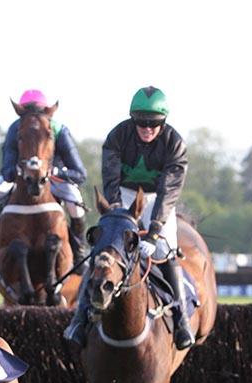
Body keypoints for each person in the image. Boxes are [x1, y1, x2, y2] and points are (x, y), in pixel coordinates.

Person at [64, 86, 194, 351]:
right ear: (133, 120)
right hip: (121, 196)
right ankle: (79, 320)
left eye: (154, 123)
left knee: (164, 250)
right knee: (105, 250)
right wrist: (116, 214)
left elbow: (170, 191)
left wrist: (154, 232)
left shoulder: (175, 143)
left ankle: (181, 321)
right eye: (141, 122)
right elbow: (110, 180)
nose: (147, 128)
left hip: (158, 199)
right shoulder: (118, 136)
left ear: (163, 121)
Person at [0, 89, 89, 265]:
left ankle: (80, 252)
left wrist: (55, 172)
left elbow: (80, 174)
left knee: (75, 201)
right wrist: (20, 171)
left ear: (47, 114)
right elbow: (7, 168)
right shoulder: (15, 128)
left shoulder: (60, 131)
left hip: (53, 178)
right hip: (22, 178)